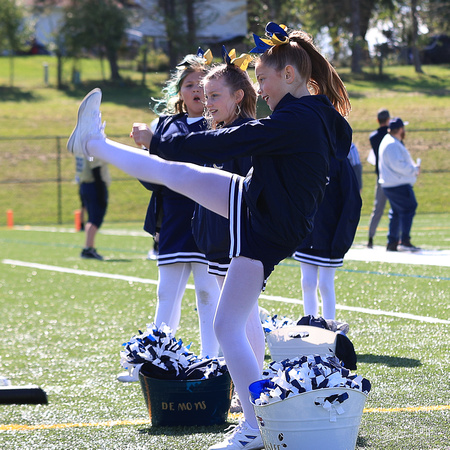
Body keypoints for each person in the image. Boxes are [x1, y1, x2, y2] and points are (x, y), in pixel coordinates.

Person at [67, 22, 352, 450]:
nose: (262, 91)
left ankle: (256, 427)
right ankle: (93, 143)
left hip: (266, 226)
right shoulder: (308, 114)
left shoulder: (298, 119)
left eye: (265, 81)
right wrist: (169, 142)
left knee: (227, 324)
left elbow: (232, 140)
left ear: (289, 76)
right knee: (178, 175)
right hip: (257, 200)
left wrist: (165, 137)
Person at [119, 51, 221, 384]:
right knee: (167, 293)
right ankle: (153, 362)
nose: (196, 90)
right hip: (175, 219)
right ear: (179, 91)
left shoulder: (218, 124)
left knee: (208, 294)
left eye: (201, 85)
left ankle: (212, 361)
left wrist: (159, 145)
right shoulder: (165, 125)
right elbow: (153, 179)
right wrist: (146, 154)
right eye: (189, 84)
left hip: (209, 215)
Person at [294, 152, 362, 321]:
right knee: (307, 283)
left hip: (330, 236)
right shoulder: (305, 155)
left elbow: (352, 201)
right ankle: (309, 323)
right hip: (306, 234)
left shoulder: (340, 160)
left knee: (325, 284)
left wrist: (342, 238)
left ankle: (329, 325)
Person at [378, 117, 421, 252]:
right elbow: (398, 165)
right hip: (397, 183)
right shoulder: (392, 143)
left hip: (393, 183)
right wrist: (414, 170)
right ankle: (404, 240)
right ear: (400, 129)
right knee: (409, 207)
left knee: (397, 212)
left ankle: (393, 241)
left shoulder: (390, 141)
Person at [75, 154, 110, 260]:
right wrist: (101, 192)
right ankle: (88, 248)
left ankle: (89, 247)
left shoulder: (81, 151)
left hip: (84, 185)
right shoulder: (91, 152)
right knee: (95, 218)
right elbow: (96, 168)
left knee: (92, 218)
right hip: (93, 185)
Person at [367, 108, 390, 248]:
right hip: (393, 177)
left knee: (378, 209)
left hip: (380, 176)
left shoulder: (373, 136)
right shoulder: (390, 136)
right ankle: (397, 238)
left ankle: (370, 238)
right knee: (398, 209)